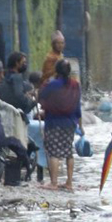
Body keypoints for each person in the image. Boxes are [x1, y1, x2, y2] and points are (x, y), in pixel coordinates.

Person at [38, 59, 82, 191]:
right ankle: (69, 182)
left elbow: (41, 96)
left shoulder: (53, 85)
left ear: (57, 71)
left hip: (54, 122)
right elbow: (78, 106)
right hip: (70, 123)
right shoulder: (75, 85)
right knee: (68, 152)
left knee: (54, 153)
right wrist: (81, 126)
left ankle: (54, 183)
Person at [0, 52, 36, 116]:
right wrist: (32, 101)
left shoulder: (4, 77)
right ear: (17, 63)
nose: (25, 65)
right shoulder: (16, 78)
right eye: (23, 62)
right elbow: (20, 98)